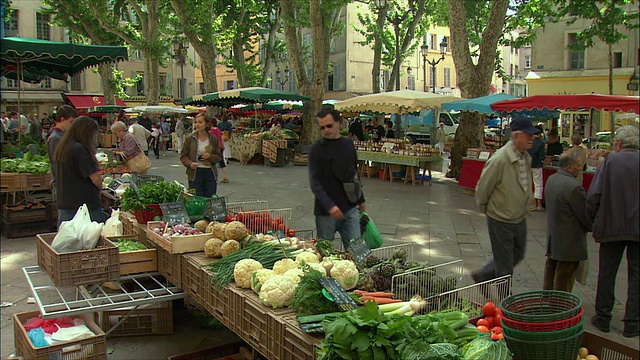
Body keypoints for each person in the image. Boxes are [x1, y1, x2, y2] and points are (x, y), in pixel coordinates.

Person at [472, 117, 540, 284]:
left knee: (518, 254)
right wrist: (486, 209)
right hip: (500, 217)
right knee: (505, 265)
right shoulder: (500, 159)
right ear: (517, 136)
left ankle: (484, 275)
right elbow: (483, 188)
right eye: (528, 135)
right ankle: (503, 303)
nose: (532, 138)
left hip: (518, 217)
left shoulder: (525, 157)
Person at [587, 125, 639, 338]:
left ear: (618, 143)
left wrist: (589, 220)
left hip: (611, 226)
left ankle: (603, 318)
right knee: (637, 275)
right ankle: (633, 323)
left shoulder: (610, 161)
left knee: (607, 273)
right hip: (638, 229)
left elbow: (594, 195)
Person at [308, 108, 365, 250]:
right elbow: (315, 183)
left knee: (357, 252)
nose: (326, 130)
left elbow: (353, 173)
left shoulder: (348, 144)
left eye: (329, 126)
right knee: (325, 254)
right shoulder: (316, 149)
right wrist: (330, 206)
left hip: (350, 208)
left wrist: (360, 198)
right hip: (325, 212)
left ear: (338, 123)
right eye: (322, 127)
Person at [543, 151, 592, 292]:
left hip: (554, 239)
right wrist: (591, 226)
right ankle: (561, 309)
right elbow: (585, 215)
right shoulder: (574, 188)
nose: (580, 168)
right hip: (569, 242)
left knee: (551, 274)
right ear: (569, 167)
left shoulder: (552, 180)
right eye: (578, 165)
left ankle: (547, 303)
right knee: (564, 279)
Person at [53, 116, 105, 226]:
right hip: (84, 204)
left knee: (69, 238)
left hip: (65, 201)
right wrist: (100, 189)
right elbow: (95, 178)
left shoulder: (62, 148)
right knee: (90, 238)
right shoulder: (80, 149)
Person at [180, 113, 222, 198]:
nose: (197, 124)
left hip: (210, 173)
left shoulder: (213, 139)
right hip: (195, 173)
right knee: (196, 199)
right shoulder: (190, 139)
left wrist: (209, 157)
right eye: (196, 122)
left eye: (200, 122)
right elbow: (183, 155)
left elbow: (219, 156)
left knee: (210, 199)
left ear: (206, 124)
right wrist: (190, 163)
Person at [47, 105, 77, 199]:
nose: (72, 125)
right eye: (71, 122)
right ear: (62, 119)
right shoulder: (55, 138)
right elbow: (57, 164)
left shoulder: (65, 135)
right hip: (62, 186)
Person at [528, 125, 546, 211]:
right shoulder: (541, 143)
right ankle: (538, 205)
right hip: (537, 165)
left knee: (528, 184)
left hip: (527, 164)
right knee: (538, 184)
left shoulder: (528, 141)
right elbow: (542, 156)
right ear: (540, 133)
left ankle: (530, 204)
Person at [209, 118, 229, 183]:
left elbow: (212, 139)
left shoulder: (212, 130)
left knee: (213, 161)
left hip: (216, 147)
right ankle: (225, 176)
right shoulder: (217, 129)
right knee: (221, 161)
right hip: (221, 146)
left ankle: (216, 176)